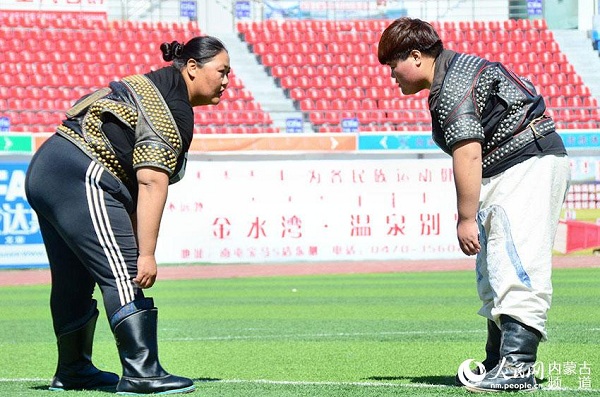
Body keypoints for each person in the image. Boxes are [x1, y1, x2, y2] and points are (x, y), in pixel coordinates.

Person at [25, 36, 231, 394]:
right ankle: (142, 371)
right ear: (193, 68)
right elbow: (151, 182)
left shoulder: (155, 84)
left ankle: (74, 370)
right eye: (222, 71)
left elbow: (133, 192)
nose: (227, 81)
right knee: (124, 270)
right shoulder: (174, 108)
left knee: (73, 279)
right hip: (80, 173)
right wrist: (146, 254)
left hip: (48, 169)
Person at [378, 18, 570, 392]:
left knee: (516, 263)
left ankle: (518, 366)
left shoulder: (452, 85)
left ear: (415, 57)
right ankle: (500, 359)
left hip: (528, 163)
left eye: (392, 65)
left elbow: (467, 153)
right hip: (518, 164)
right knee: (495, 268)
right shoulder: (453, 72)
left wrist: (465, 218)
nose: (391, 75)